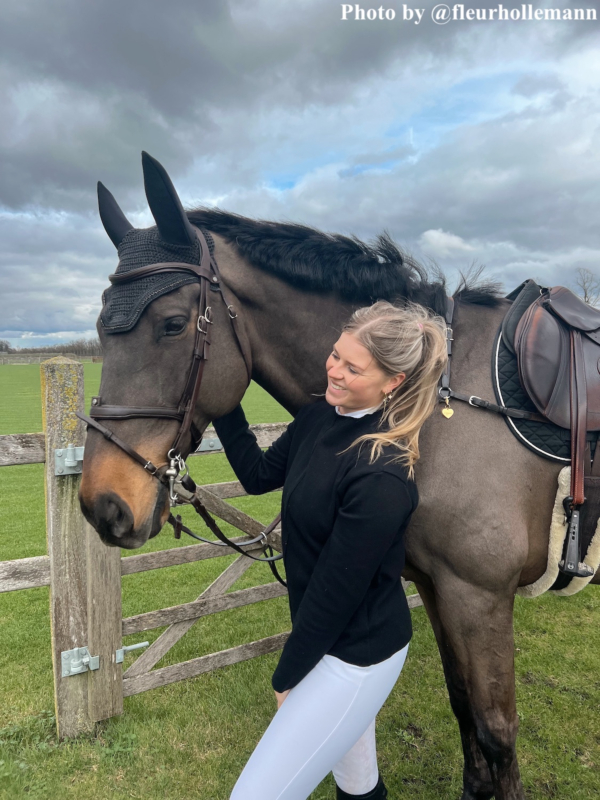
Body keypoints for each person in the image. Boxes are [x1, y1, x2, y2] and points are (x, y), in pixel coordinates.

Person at [212, 300, 447, 800]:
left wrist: (288, 674)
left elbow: (334, 593)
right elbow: (256, 475)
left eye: (352, 367)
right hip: (323, 637)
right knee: (357, 782)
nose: (334, 371)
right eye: (335, 355)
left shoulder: (382, 473)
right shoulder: (319, 415)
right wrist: (223, 398)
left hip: (357, 656)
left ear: (394, 382)